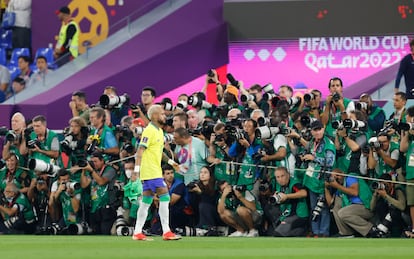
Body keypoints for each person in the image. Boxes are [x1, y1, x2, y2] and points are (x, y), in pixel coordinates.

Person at [131, 104, 181, 241]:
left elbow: (160, 153)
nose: (165, 116)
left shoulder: (159, 131)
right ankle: (166, 231)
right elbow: (140, 151)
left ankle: (137, 232)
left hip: (152, 171)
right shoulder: (149, 131)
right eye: (162, 114)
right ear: (154, 116)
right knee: (165, 198)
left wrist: (172, 163)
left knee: (146, 202)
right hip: (151, 171)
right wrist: (136, 171)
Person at [301, 120, 336, 237]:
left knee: (323, 208)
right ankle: (315, 232)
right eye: (314, 130)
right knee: (313, 207)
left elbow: (330, 162)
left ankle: (324, 232)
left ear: (323, 129)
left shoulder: (328, 144)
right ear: (311, 131)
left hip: (323, 180)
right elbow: (308, 153)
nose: (317, 132)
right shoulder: (311, 142)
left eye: (319, 129)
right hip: (311, 180)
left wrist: (314, 157)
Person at [325, 169, 373, 238]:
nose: (337, 178)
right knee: (336, 205)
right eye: (334, 177)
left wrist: (337, 186)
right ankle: (346, 233)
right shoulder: (340, 187)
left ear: (343, 173)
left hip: (366, 206)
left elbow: (354, 192)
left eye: (338, 175)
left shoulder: (350, 177)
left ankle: (371, 230)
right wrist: (326, 188)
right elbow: (331, 204)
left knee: (342, 213)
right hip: (354, 208)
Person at [263, 167, 308, 237]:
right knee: (268, 209)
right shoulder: (277, 185)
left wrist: (286, 196)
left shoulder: (294, 183)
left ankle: (301, 231)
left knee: (278, 234)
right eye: (278, 177)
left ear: (288, 175)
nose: (280, 179)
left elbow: (303, 193)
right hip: (286, 213)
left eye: (282, 176)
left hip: (298, 214)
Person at [80, 152, 117, 234]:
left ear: (102, 161)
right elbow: (84, 185)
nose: (93, 164)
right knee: (95, 233)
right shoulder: (92, 171)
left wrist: (92, 171)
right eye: (92, 162)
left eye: (95, 161)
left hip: (106, 207)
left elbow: (101, 182)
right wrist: (84, 170)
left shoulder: (109, 170)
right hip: (94, 207)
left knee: (105, 231)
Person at [370, 173, 407, 237]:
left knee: (393, 211)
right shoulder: (382, 192)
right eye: (382, 184)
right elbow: (372, 208)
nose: (384, 187)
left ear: (391, 184)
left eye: (385, 184)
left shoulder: (398, 190)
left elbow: (402, 207)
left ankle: (383, 231)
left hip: (400, 218)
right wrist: (375, 195)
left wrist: (386, 196)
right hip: (387, 219)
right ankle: (381, 229)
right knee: (379, 206)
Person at [399, 105, 414, 238]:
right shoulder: (410, 134)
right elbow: (403, 148)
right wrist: (407, 133)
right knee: (412, 203)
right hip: (411, 172)